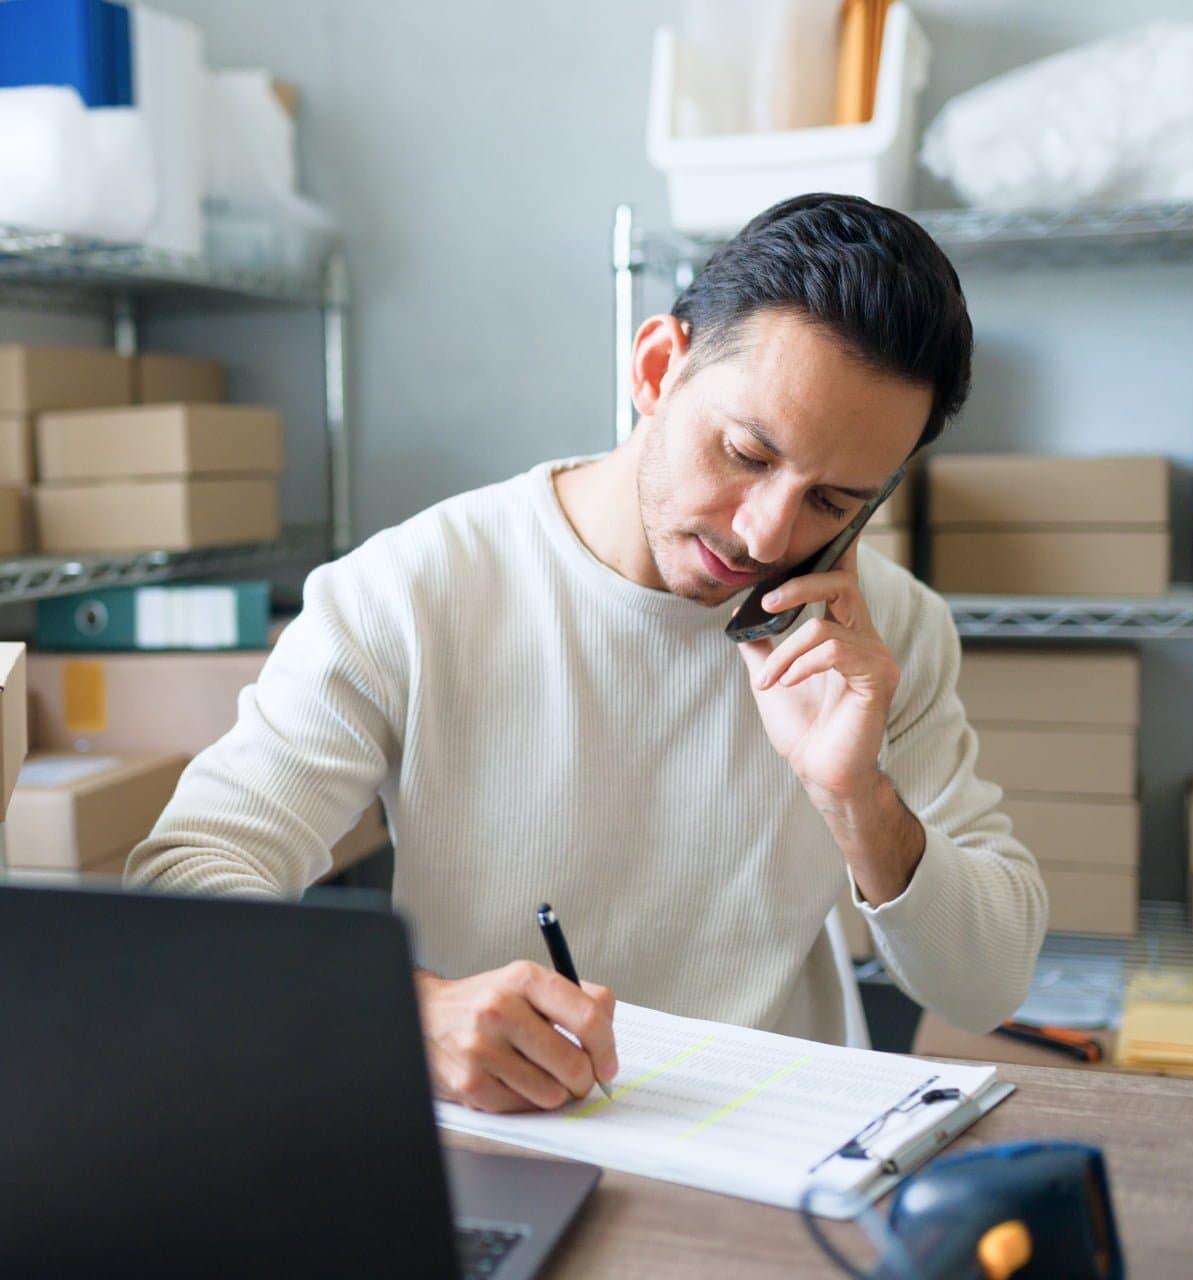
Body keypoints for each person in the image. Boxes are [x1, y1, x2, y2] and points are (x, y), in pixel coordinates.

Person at [128, 193, 1047, 1114]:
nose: (765, 535)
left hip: (779, 1156)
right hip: (509, 1136)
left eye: (834, 503)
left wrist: (857, 798)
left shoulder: (884, 638)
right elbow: (184, 882)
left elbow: (987, 986)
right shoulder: (408, 592)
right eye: (746, 454)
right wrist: (409, 1014)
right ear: (656, 368)